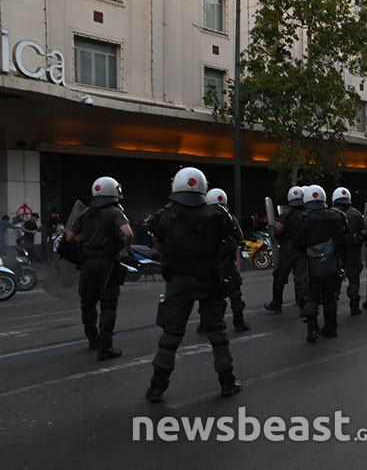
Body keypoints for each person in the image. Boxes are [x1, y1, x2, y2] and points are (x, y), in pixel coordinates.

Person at [145, 167, 241, 402]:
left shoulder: (164, 215)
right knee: (217, 332)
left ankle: (157, 387)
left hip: (178, 281)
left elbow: (156, 241)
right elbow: (233, 238)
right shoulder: (217, 214)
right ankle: (227, 382)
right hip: (209, 279)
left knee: (170, 336)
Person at [64, 177, 133, 360]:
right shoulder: (115, 212)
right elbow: (128, 233)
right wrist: (125, 250)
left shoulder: (85, 214)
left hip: (87, 265)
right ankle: (105, 347)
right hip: (107, 265)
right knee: (108, 305)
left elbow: (69, 238)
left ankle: (92, 339)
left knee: (87, 304)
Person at [296, 185, 349, 342]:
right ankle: (331, 328)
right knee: (330, 297)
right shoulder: (337, 215)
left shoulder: (303, 218)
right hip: (333, 261)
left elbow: (297, 242)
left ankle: (312, 329)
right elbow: (347, 238)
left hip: (311, 263)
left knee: (311, 296)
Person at [197, 188, 249, 332]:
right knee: (235, 293)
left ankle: (204, 324)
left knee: (207, 295)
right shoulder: (230, 217)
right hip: (228, 262)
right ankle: (239, 322)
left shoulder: (202, 217)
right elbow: (240, 236)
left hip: (210, 262)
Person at [266, 186, 308, 316]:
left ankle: (276, 303)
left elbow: (278, 229)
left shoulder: (286, 214)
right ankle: (303, 305)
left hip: (288, 249)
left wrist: (271, 228)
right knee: (301, 277)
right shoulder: (307, 213)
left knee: (279, 277)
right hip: (302, 248)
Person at [331, 186, 365, 315]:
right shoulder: (356, 213)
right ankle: (354, 306)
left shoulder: (330, 214)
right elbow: (364, 232)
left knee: (335, 281)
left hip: (335, 253)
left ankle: (332, 307)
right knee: (354, 279)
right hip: (353, 252)